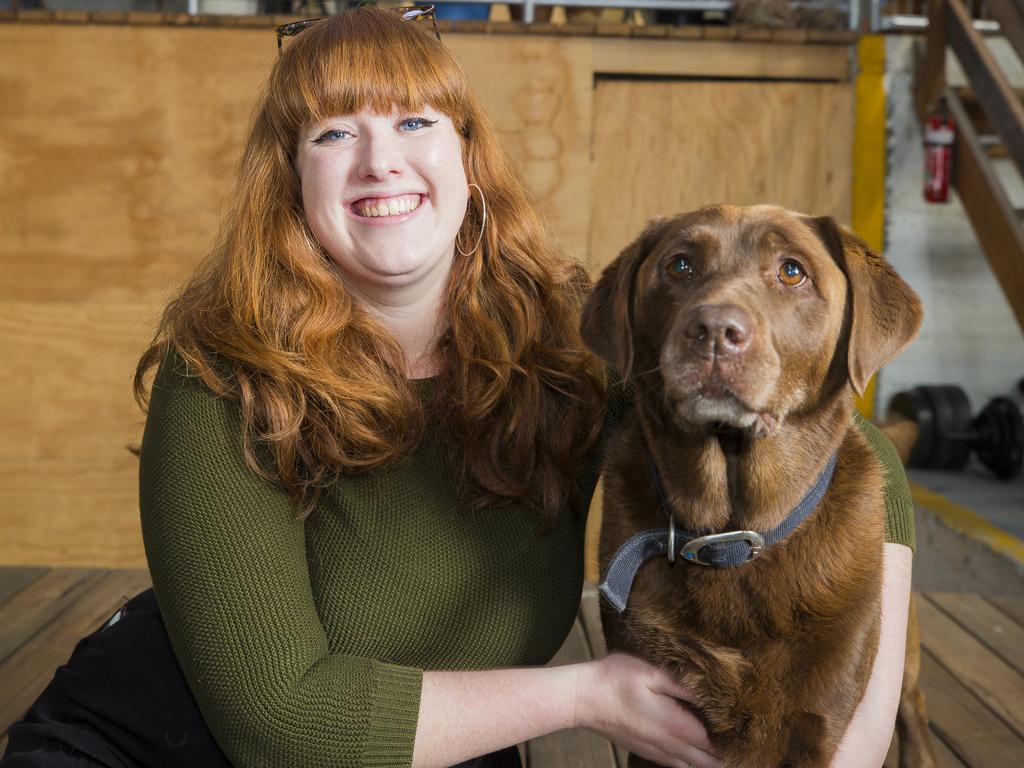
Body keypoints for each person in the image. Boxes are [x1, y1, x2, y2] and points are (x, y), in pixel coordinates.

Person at [1, 7, 914, 768]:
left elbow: (848, 443)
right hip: (161, 746)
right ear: (289, 181)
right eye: (333, 134)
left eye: (413, 123)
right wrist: (588, 695)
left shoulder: (564, 341)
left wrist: (861, 731)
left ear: (468, 159)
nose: (379, 162)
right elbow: (280, 724)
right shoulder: (223, 377)